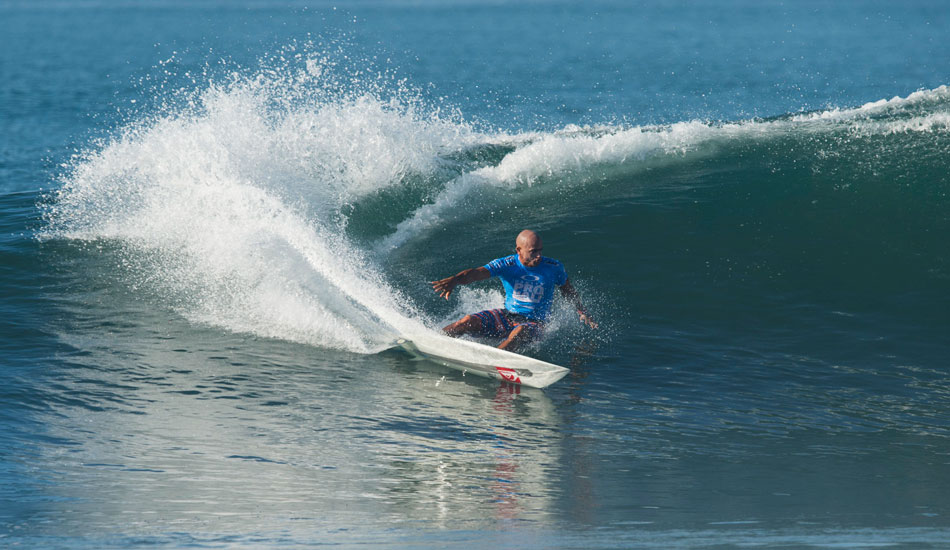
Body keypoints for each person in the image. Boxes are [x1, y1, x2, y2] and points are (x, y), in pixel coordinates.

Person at [430, 229, 597, 352]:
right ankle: (432, 342)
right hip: (507, 316)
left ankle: (495, 360)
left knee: (520, 331)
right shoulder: (507, 264)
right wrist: (455, 280)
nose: (538, 255)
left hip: (535, 324)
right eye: (533, 252)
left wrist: (581, 311)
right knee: (466, 321)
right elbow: (476, 273)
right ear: (519, 250)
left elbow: (567, 290)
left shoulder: (553, 267)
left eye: (540, 250)